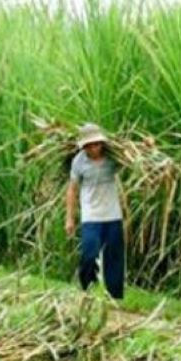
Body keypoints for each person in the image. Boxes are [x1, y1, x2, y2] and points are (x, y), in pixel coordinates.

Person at [64, 123, 125, 300]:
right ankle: (86, 288)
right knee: (89, 253)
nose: (94, 148)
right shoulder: (79, 161)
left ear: (102, 143)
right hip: (91, 216)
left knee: (114, 257)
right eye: (89, 145)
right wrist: (69, 218)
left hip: (113, 214)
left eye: (97, 144)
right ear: (83, 146)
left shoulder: (113, 156)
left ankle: (114, 297)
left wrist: (147, 145)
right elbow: (72, 190)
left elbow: (136, 160)